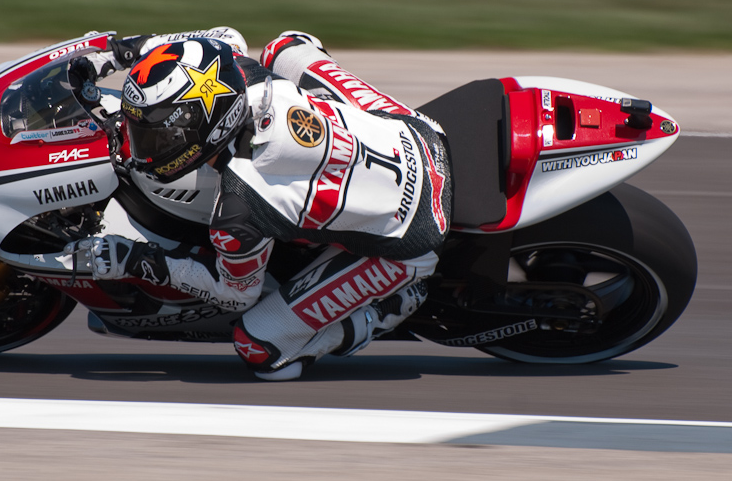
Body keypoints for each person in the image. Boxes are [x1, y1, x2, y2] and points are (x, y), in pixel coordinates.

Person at [71, 27, 452, 380]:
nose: (143, 149)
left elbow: (236, 293)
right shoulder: (243, 72)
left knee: (261, 350)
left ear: (209, 128)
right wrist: (123, 52)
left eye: (158, 138)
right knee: (285, 47)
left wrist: (137, 261)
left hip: (412, 234)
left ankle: (383, 312)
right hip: (419, 132)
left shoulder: (238, 208)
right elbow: (222, 38)